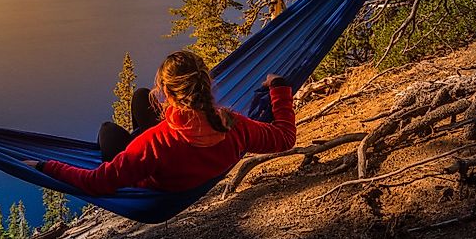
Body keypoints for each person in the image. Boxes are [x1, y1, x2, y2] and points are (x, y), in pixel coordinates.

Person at [25, 50, 296, 196]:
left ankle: (127, 140)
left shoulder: (154, 144)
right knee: (141, 96)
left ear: (167, 91)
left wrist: (45, 166)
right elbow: (285, 138)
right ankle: (136, 130)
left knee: (107, 132)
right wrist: (279, 87)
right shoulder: (233, 124)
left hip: (159, 173)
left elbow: (98, 182)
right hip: (191, 163)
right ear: (204, 83)